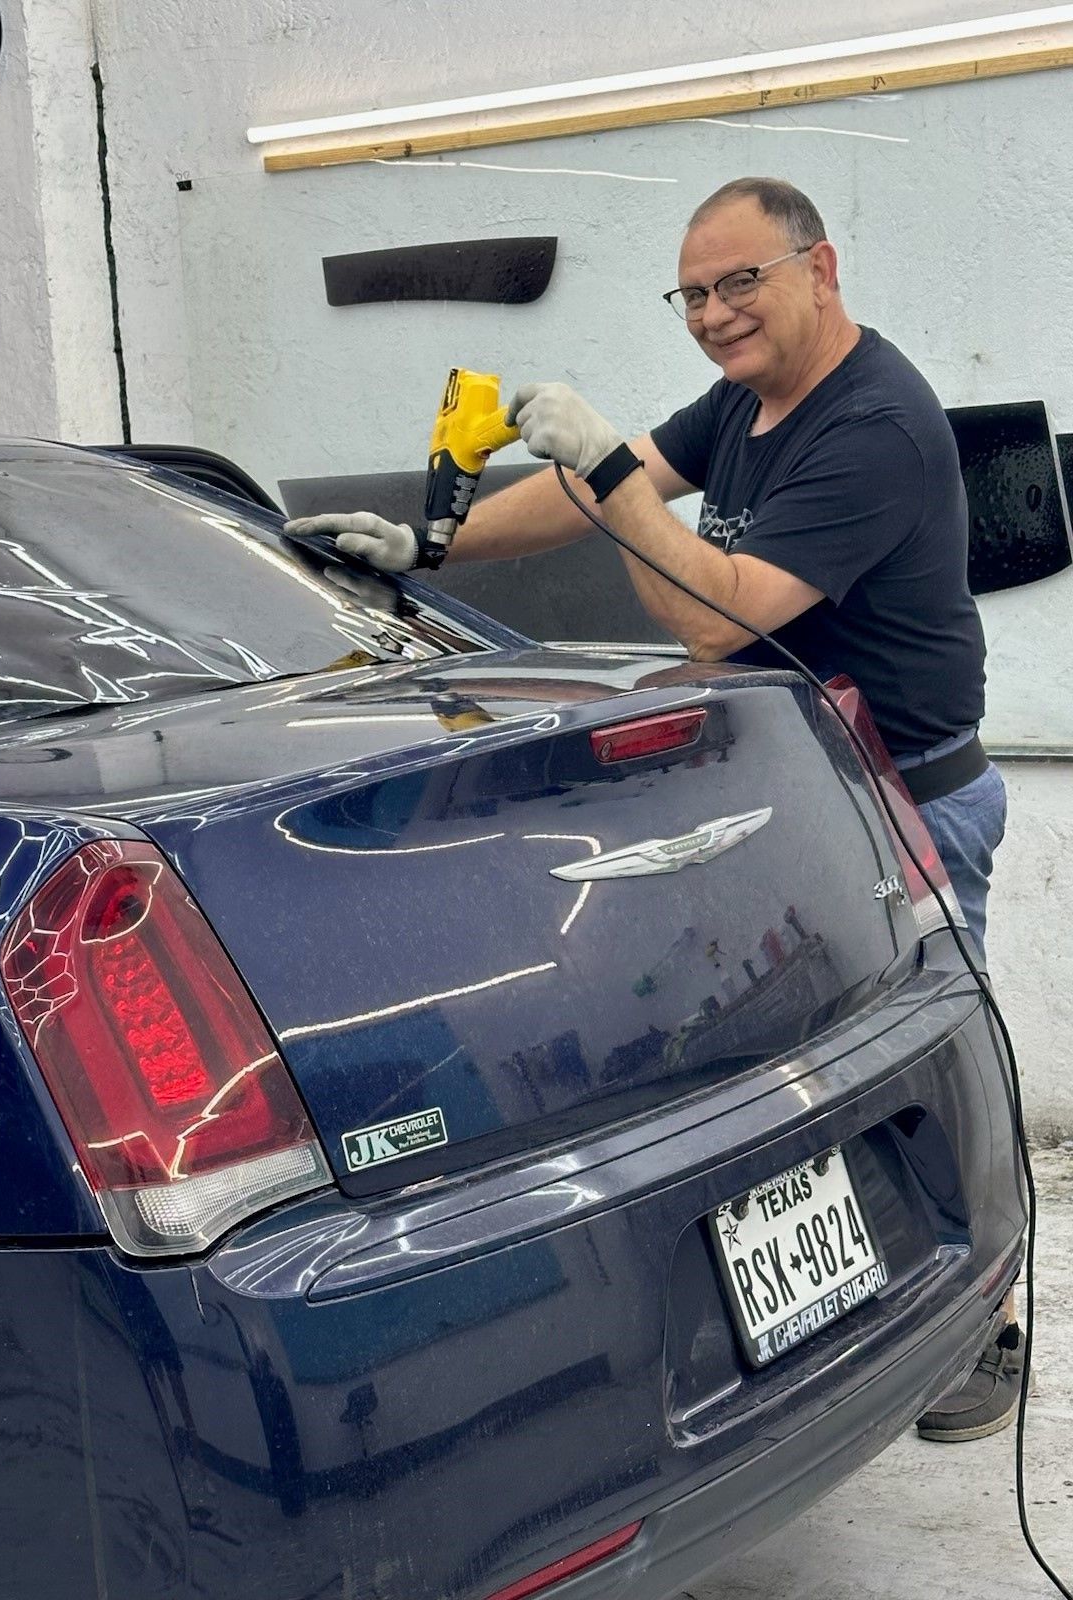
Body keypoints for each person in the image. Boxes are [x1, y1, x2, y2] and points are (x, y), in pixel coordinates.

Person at [285, 176, 1018, 1439]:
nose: (717, 314)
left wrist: (615, 468)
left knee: (935, 1067)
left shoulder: (877, 423)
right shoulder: (748, 399)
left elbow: (710, 604)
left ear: (821, 266)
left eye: (744, 282)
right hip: (796, 789)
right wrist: (431, 547)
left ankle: (990, 1325)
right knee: (794, 1074)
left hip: (912, 805)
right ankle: (832, 1296)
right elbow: (589, 494)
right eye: (694, 293)